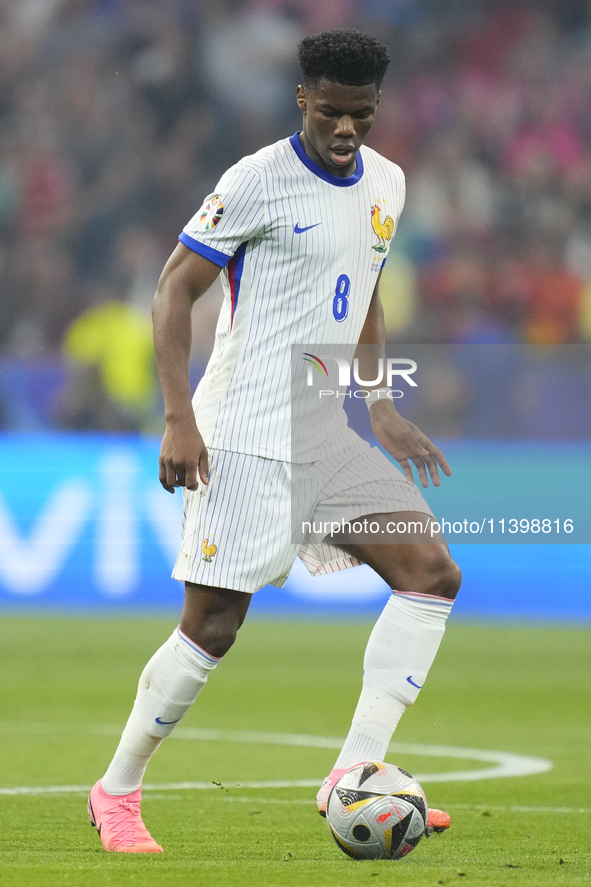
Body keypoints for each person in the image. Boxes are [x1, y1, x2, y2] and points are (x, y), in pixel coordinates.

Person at [87, 28, 461, 854]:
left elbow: (364, 293)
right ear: (303, 99)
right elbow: (171, 290)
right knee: (213, 625)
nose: (345, 131)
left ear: (375, 110)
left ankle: (354, 773)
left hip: (323, 427)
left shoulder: (388, 184)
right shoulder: (255, 180)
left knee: (430, 573)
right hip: (244, 429)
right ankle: (115, 792)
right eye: (330, 112)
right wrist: (179, 416)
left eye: (360, 116)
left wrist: (380, 404)